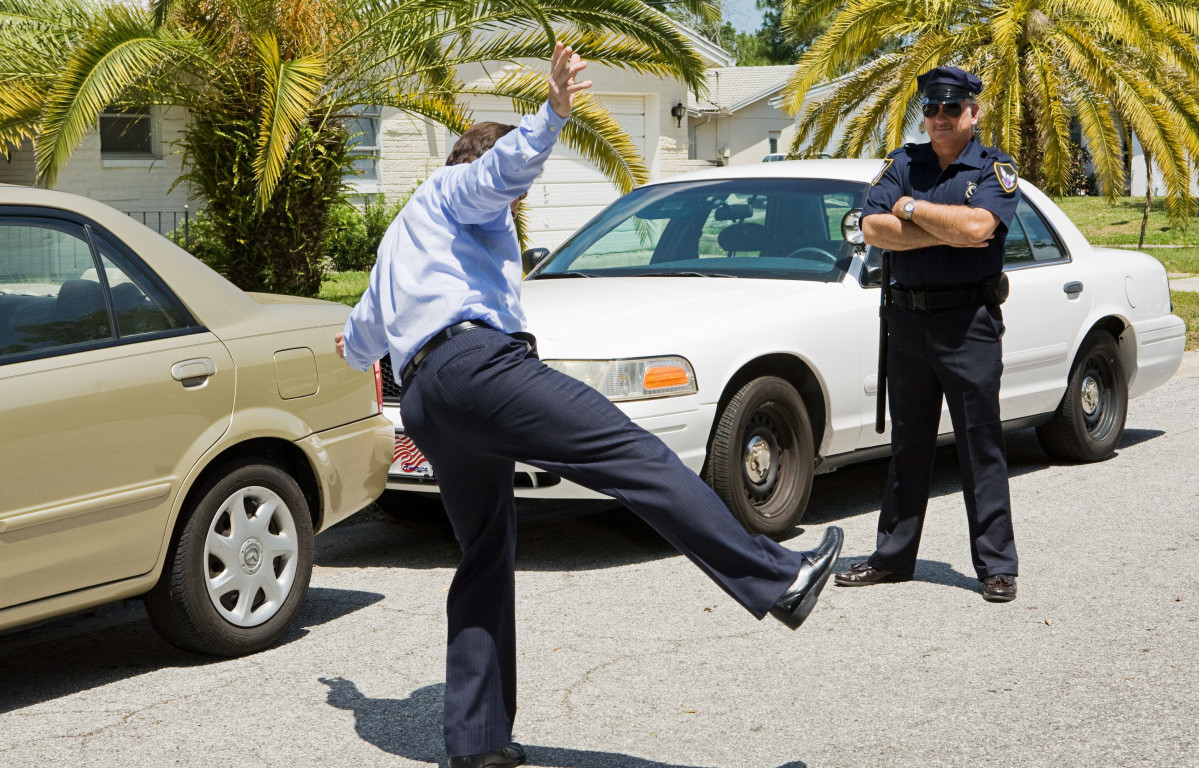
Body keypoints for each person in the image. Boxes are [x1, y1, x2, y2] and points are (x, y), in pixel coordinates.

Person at [336, 42, 843, 768]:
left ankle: (476, 741)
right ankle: (778, 578)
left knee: (484, 555)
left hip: (427, 398)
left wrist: (350, 349)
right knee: (636, 457)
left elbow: (361, 337)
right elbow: (496, 173)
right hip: (478, 368)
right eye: (516, 201)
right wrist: (551, 114)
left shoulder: (400, 237)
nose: (516, 208)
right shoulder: (454, 190)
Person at [834, 66, 1021, 603]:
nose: (939, 117)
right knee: (908, 445)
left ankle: (996, 566)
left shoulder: (994, 168)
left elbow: (979, 228)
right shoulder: (902, 163)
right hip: (908, 323)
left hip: (968, 324)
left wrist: (910, 210)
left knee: (980, 446)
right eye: (932, 108)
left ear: (973, 112)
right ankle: (892, 558)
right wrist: (947, 229)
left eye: (951, 107)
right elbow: (871, 228)